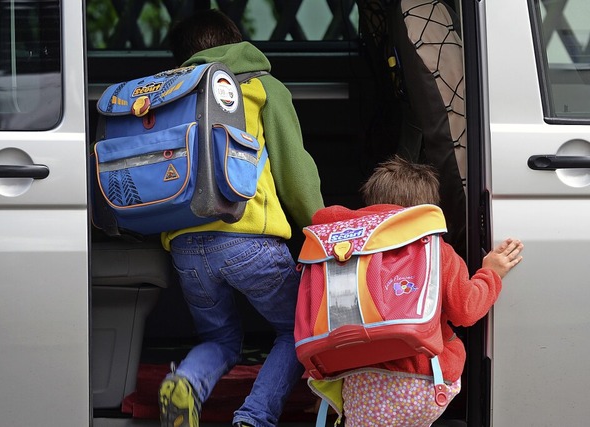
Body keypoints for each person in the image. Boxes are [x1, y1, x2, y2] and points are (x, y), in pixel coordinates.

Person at [158, 9, 325, 427]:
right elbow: (294, 170)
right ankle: (254, 417)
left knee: (220, 339)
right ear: (235, 42)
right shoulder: (261, 87)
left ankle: (188, 383)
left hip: (185, 246)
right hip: (249, 240)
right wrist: (322, 228)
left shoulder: (169, 93)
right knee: (299, 331)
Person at [308, 156, 523, 427]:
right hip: (423, 384)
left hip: (358, 385)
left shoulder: (344, 253)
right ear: (426, 210)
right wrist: (490, 273)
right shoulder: (436, 252)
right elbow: (465, 310)